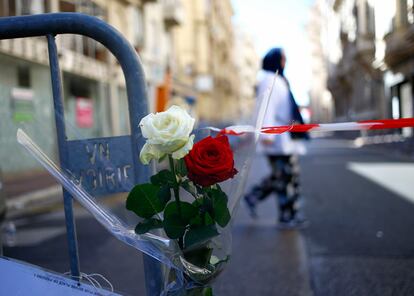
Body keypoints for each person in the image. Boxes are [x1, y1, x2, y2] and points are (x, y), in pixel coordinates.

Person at [244, 47, 307, 228]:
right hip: (276, 137)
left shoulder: (279, 79)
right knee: (284, 177)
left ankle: (254, 197)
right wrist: (267, 133)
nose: (285, 62)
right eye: (283, 59)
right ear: (275, 60)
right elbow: (267, 107)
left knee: (284, 176)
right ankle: (287, 215)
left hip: (285, 137)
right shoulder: (268, 80)